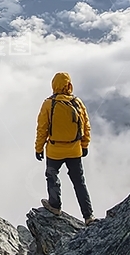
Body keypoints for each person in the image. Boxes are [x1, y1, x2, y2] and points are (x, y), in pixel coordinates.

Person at [34, 72, 96, 226]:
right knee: (79, 182)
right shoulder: (77, 102)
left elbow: (42, 128)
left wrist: (39, 148)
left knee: (52, 176)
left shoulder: (48, 104)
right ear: (69, 85)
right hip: (74, 150)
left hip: (55, 151)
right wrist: (84, 145)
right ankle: (88, 216)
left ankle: (55, 206)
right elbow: (86, 126)